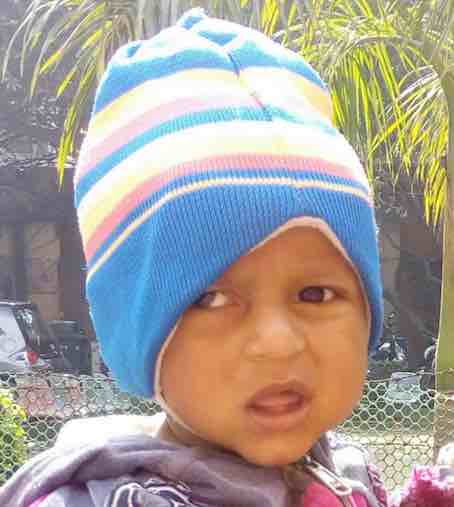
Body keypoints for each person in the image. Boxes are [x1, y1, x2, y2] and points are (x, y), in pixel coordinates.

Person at [1, 8, 453, 507]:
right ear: (135, 337)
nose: (278, 342)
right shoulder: (105, 499)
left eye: (315, 294)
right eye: (211, 299)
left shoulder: (344, 472)